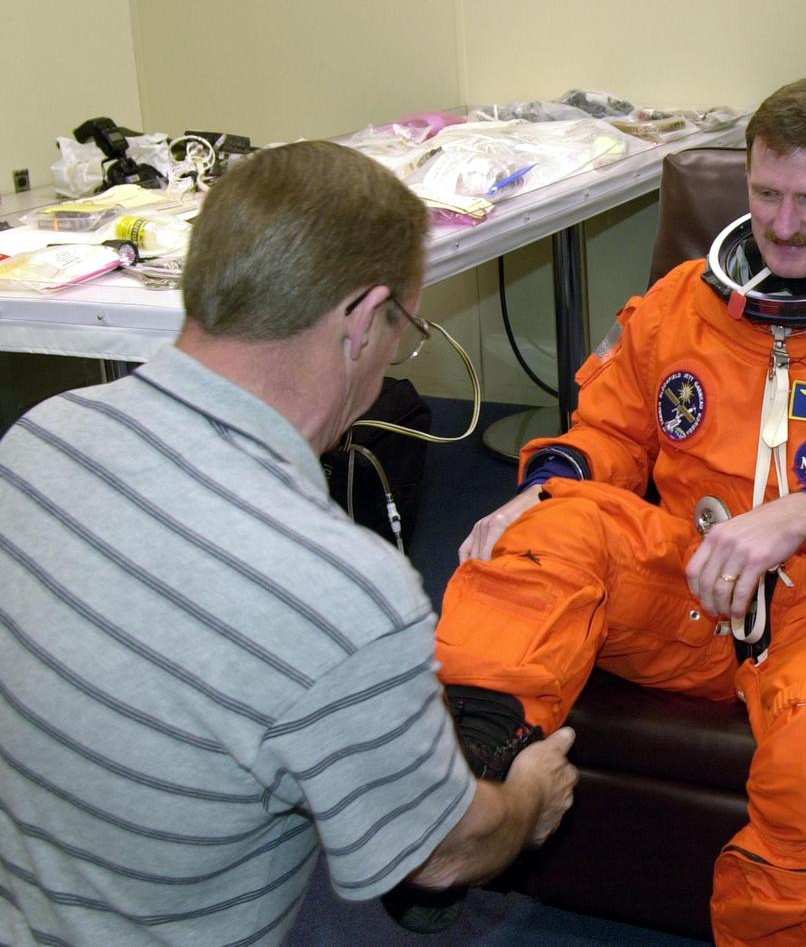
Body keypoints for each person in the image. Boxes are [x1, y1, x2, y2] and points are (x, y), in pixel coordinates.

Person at [429, 78, 806, 945]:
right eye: (766, 193)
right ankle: (463, 804)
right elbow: (608, 429)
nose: (783, 224)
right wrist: (543, 483)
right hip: (694, 587)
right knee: (544, 529)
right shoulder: (680, 303)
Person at [0, 140, 576, 946]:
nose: (387, 364)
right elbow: (445, 856)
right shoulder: (338, 585)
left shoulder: (36, 441)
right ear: (358, 320)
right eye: (400, 329)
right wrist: (525, 799)